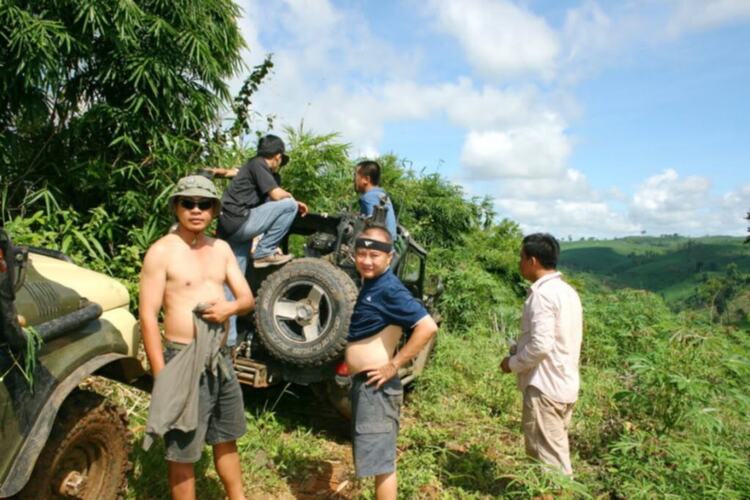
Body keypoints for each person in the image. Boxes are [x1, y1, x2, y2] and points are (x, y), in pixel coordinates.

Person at [139, 175, 254, 500]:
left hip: (220, 359)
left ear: (214, 210)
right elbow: (148, 316)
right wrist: (162, 376)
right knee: (182, 451)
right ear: (176, 206)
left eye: (204, 204)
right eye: (188, 202)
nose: (196, 210)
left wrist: (227, 309)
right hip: (182, 359)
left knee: (226, 436)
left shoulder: (221, 249)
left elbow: (247, 299)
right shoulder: (162, 252)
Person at [346, 223, 438, 499]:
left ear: (388, 257)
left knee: (382, 463)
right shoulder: (372, 284)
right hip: (367, 386)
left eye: (374, 256)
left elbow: (427, 326)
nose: (366, 260)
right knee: (377, 459)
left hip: (378, 385)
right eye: (361, 254)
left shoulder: (389, 289)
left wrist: (393, 365)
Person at [500, 233, 582, 476]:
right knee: (553, 452)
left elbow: (541, 345)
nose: (519, 263)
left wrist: (511, 363)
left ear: (532, 260)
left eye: (521, 257)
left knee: (549, 464)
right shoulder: (567, 292)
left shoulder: (542, 295)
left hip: (545, 386)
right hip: (564, 383)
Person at [212, 134, 308, 270]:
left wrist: (214, 171)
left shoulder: (250, 167)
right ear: (278, 157)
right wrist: (294, 201)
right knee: (290, 205)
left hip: (230, 226)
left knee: (235, 276)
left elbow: (230, 172)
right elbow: (276, 195)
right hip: (239, 220)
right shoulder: (258, 164)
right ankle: (264, 251)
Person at [354, 160, 398, 241]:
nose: (354, 180)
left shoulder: (369, 197)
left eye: (356, 176)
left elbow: (373, 227)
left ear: (366, 179)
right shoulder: (382, 195)